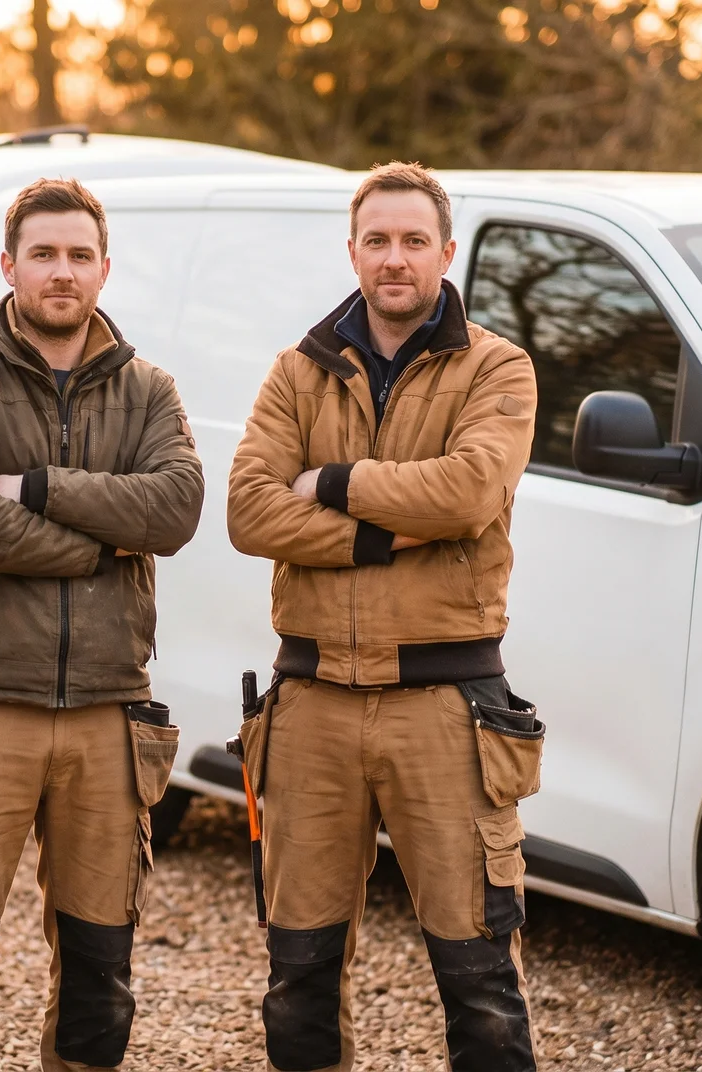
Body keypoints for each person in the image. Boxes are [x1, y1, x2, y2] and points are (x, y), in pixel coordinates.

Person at [227, 162, 543, 1072]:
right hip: (312, 704)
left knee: (480, 976)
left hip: (448, 709)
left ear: (446, 252)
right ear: (353, 250)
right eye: (377, 240)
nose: (394, 258)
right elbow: (250, 512)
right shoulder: (297, 372)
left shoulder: (499, 366)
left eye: (413, 241)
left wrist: (327, 485)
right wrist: (382, 538)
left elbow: (470, 489)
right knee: (299, 979)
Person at [0, 178, 205, 1072]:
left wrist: (33, 487)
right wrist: (99, 546)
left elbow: (175, 511)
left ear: (104, 269)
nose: (61, 273)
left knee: (102, 978)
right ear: (10, 266)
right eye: (43, 255)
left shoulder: (149, 390)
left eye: (78, 256)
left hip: (109, 715)